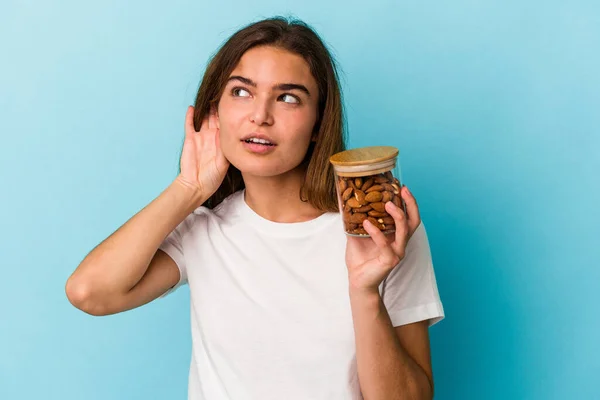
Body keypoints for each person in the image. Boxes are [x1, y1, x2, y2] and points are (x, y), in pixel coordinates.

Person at [65, 16, 444, 400]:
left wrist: (364, 291)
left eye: (288, 98)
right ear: (215, 112)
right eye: (241, 92)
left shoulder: (379, 230)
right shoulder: (203, 230)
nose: (260, 115)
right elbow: (88, 292)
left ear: (317, 123)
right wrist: (188, 188)